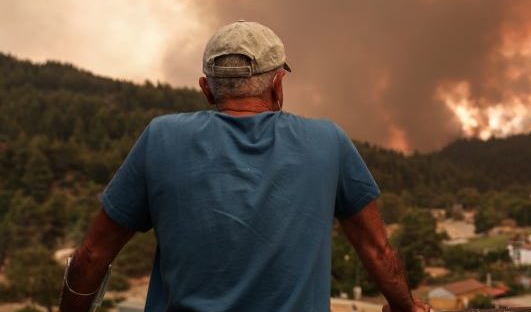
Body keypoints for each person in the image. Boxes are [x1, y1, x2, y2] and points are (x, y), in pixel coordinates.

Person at [59, 21, 430, 312]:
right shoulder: (327, 141)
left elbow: (91, 256)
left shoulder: (162, 138)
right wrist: (405, 306)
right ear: (278, 84)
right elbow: (377, 250)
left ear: (207, 88)